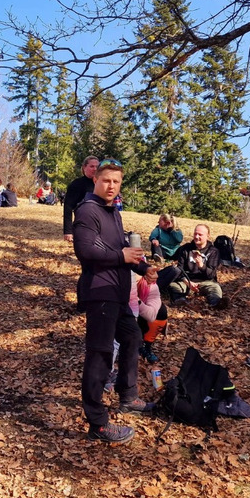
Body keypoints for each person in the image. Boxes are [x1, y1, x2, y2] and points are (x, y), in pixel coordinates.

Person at [72, 157, 156, 444]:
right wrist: (121, 256)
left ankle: (128, 396)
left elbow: (120, 250)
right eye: (106, 180)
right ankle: (97, 422)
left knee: (133, 337)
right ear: (95, 179)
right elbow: (85, 251)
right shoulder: (87, 211)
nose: (111, 186)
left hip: (118, 294)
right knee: (100, 354)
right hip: (100, 292)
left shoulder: (113, 212)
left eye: (116, 182)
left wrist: (143, 268)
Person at [167, 224, 231, 311]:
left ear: (207, 236)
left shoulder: (213, 251)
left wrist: (201, 265)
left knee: (216, 288)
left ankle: (215, 303)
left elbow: (211, 275)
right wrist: (187, 282)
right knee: (173, 286)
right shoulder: (185, 249)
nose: (196, 237)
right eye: (195, 234)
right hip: (187, 281)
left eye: (200, 235)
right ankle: (180, 301)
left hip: (205, 282)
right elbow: (179, 269)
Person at [131, 266, 167, 363]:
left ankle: (145, 345)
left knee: (161, 312)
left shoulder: (151, 286)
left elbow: (151, 316)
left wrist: (135, 300)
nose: (133, 275)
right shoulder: (118, 282)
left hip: (141, 315)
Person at [62, 156, 99, 241]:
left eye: (97, 167)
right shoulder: (76, 184)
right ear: (84, 167)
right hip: (83, 226)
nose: (95, 169)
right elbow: (68, 208)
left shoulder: (101, 184)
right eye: (92, 166)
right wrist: (68, 231)